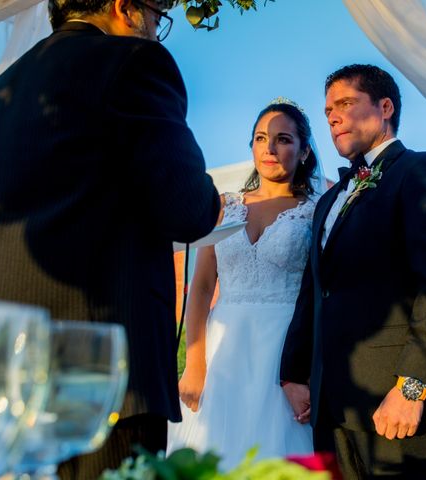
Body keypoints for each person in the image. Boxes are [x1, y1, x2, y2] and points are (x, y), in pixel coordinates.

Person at [0, 0, 220, 476]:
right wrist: (212, 199)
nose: (157, 32)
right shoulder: (133, 61)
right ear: (125, 8)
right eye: (158, 17)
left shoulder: (1, 90)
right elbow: (186, 208)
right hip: (98, 366)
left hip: (6, 366)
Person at [280, 64, 426, 479]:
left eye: (345, 104)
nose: (333, 117)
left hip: (394, 403)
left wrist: (412, 388)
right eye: (328, 110)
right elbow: (315, 290)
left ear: (385, 107)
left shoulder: (421, 170)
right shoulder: (329, 201)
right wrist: (294, 373)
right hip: (331, 404)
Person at [167, 101, 317, 467]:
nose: (269, 149)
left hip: (283, 349)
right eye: (261, 138)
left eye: (283, 139)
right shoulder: (225, 206)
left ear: (304, 150)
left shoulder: (315, 210)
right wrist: (195, 362)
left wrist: (307, 371)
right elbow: (201, 287)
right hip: (222, 347)